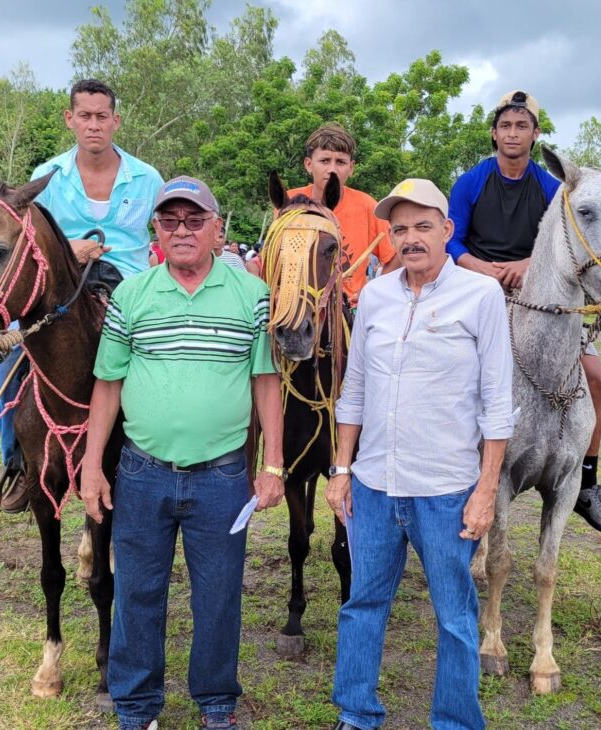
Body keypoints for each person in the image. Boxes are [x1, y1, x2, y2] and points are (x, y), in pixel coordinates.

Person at [81, 175, 285, 730]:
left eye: (195, 220)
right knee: (137, 593)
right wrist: (92, 465)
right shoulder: (132, 294)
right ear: (156, 231)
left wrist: (271, 465)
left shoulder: (252, 296)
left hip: (221, 477)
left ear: (218, 230)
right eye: (170, 221)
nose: (183, 231)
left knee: (218, 597)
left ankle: (216, 705)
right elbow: (108, 385)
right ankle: (137, 708)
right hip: (143, 472)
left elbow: (267, 381)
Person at [325, 179, 513, 730]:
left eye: (423, 227)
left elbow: (498, 406)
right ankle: (356, 713)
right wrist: (341, 469)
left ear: (447, 231)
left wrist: (485, 491)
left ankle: (455, 721)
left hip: (447, 490)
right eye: (400, 229)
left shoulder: (480, 296)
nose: (411, 239)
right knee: (362, 606)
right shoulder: (376, 295)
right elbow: (353, 390)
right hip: (374, 486)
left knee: (455, 617)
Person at [447, 89, 601, 536]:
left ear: (535, 133)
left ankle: (586, 482)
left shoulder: (551, 187)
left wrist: (527, 265)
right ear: (494, 132)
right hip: (478, 288)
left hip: (540, 293)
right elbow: (452, 241)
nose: (513, 132)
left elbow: (565, 237)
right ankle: (452, 466)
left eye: (522, 125)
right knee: (450, 370)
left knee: (597, 379)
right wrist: (484, 269)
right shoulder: (470, 182)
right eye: (505, 125)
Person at [0, 78, 164, 513]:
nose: (93, 125)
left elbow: (163, 232)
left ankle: (157, 452)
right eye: (84, 116)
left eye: (102, 117)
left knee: (161, 355)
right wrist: (69, 250)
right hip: (58, 289)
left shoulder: (147, 178)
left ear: (115, 121)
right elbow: (30, 241)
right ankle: (16, 458)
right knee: (4, 352)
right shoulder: (46, 177)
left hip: (129, 285)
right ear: (70, 119)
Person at [287, 123, 400, 308]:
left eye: (340, 162)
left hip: (348, 310)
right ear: (308, 164)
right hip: (297, 308)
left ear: (351, 168)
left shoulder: (367, 206)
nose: (332, 169)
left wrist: (372, 290)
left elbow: (395, 256)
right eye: (324, 161)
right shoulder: (291, 202)